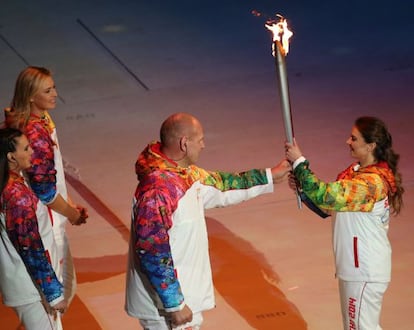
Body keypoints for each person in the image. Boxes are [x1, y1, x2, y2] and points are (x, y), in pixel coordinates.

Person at [125, 112, 291, 329]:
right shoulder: (159, 189)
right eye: (200, 140)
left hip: (182, 303)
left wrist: (271, 176)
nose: (203, 145)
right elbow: (152, 249)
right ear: (185, 143)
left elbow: (224, 185)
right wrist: (174, 303)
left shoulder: (185, 174)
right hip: (165, 311)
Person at [285, 116, 404, 329]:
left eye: (354, 138)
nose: (347, 142)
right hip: (355, 268)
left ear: (370, 146)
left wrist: (300, 162)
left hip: (365, 269)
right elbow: (329, 208)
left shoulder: (370, 183)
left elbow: (327, 196)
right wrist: (302, 190)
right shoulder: (356, 173)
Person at [4, 66, 88, 305]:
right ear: (31, 95)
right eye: (47, 90)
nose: (55, 94)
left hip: (53, 214)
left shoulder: (38, 119)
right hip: (46, 221)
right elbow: (45, 190)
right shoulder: (33, 132)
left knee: (65, 290)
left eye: (54, 88)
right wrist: (71, 213)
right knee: (56, 298)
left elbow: (53, 176)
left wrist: (69, 202)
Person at [0, 127, 66, 329]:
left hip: (26, 284)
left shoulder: (12, 184)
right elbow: (30, 249)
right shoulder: (16, 196)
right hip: (32, 288)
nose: (32, 152)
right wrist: (53, 294)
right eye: (26, 148)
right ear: (11, 156)